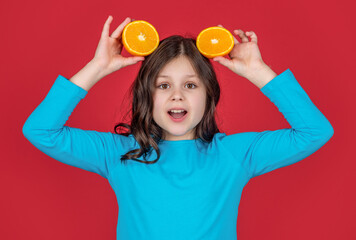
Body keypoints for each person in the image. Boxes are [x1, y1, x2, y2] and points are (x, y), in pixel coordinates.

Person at [22, 16, 334, 240]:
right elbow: (40, 130)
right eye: (163, 85)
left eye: (190, 85)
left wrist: (258, 71)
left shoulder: (234, 154)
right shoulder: (121, 154)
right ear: (148, 95)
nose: (177, 95)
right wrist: (98, 67)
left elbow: (315, 131)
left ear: (209, 94)